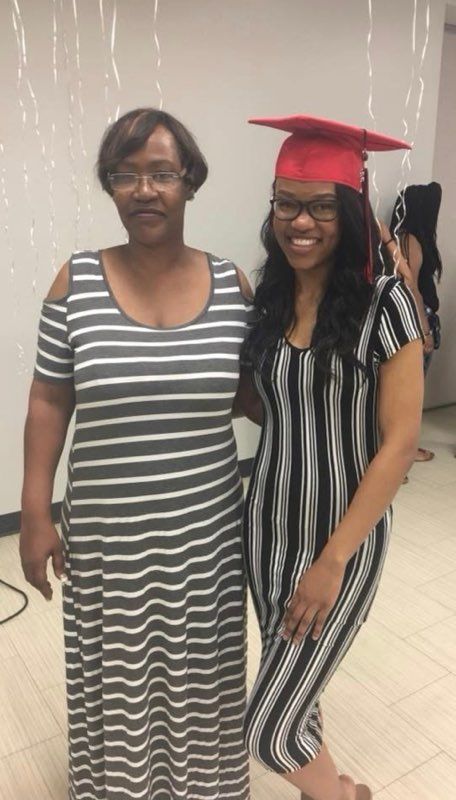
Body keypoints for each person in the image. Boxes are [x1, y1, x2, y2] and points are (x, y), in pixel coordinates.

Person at [20, 108, 253, 800]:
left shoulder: (234, 289)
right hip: (108, 539)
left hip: (206, 538)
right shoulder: (75, 282)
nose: (144, 190)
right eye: (124, 175)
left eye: (162, 174)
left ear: (191, 182)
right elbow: (48, 401)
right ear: (110, 186)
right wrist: (34, 512)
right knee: (116, 681)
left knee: (204, 678)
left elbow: (257, 397)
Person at [240, 115, 424, 800]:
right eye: (286, 203)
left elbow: (399, 444)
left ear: (348, 212)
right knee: (296, 688)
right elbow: (265, 406)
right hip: (265, 528)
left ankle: (342, 796)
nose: (300, 222)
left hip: (340, 542)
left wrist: (331, 562)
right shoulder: (271, 297)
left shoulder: (386, 304)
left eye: (321, 206)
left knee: (268, 729)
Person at [389, 182, 443, 460]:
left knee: (403, 392)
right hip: (415, 323)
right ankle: (402, 454)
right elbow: (411, 288)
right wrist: (425, 330)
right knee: (410, 393)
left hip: (406, 321)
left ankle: (401, 451)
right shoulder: (409, 240)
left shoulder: (398, 238)